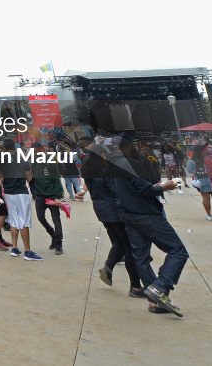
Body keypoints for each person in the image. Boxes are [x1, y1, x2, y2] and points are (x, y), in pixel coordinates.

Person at [112, 135, 189, 316]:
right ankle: (160, 287)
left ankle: (155, 300)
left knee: (141, 257)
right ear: (128, 146)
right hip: (145, 214)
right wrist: (165, 186)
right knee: (178, 251)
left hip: (127, 214)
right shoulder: (130, 164)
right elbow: (146, 189)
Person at [80, 133, 144, 298]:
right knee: (128, 245)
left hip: (101, 210)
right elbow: (116, 192)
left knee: (119, 242)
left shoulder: (88, 170)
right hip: (113, 212)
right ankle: (135, 286)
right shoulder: (104, 172)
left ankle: (109, 268)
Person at [0, 138, 40, 260]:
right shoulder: (23, 158)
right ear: (14, 147)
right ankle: (28, 251)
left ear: (4, 148)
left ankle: (14, 248)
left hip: (8, 194)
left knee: (14, 221)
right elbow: (29, 178)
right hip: (21, 193)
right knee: (24, 222)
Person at [31, 141, 65, 255]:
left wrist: (57, 196)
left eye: (36, 152)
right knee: (40, 218)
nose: (35, 154)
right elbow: (32, 179)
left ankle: (59, 244)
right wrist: (34, 193)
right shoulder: (33, 163)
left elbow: (57, 180)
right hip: (40, 196)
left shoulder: (50, 162)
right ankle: (53, 235)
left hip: (52, 196)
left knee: (56, 219)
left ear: (41, 150)